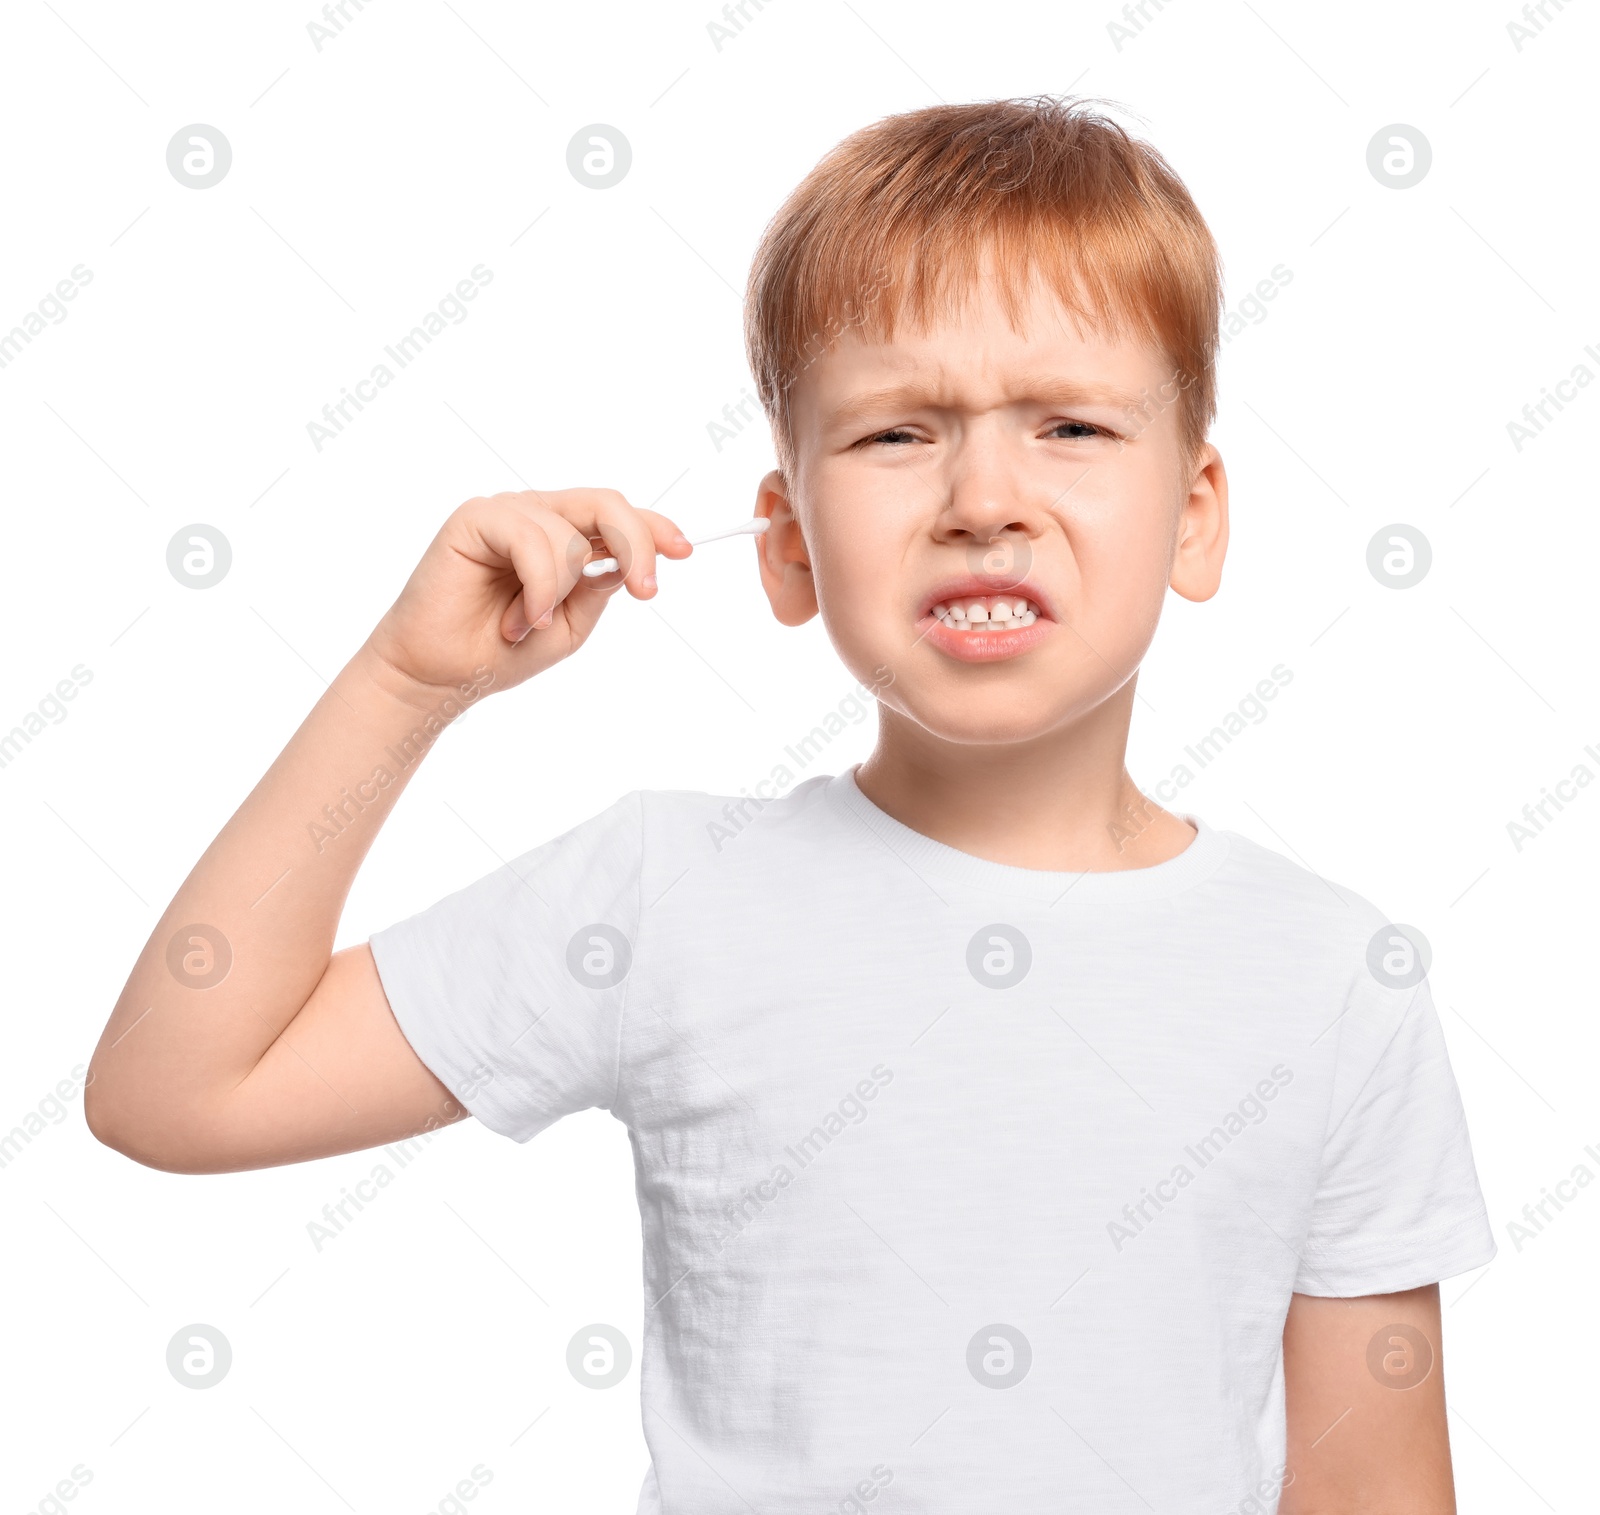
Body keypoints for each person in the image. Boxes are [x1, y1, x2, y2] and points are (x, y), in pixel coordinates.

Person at [87, 96, 1494, 1513]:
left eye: (1069, 423)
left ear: (1195, 516)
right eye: (896, 435)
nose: (983, 497)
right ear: (787, 546)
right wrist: (406, 685)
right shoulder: (662, 896)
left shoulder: (1333, 980)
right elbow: (174, 1091)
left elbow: (1375, 1493)